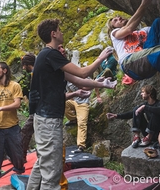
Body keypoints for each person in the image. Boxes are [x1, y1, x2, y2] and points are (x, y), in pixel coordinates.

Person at [26, 18, 117, 190]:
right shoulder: (50, 55)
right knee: (52, 172)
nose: (61, 33)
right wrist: (101, 58)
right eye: (59, 30)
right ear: (53, 34)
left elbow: (79, 81)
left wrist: (102, 84)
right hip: (48, 120)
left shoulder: (45, 58)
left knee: (42, 164)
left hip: (44, 118)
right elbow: (83, 73)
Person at [0, 62, 25, 190]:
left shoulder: (15, 86)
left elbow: (17, 104)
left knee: (17, 152)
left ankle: (19, 175)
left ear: (4, 71)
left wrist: (0, 108)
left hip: (12, 126)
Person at [19, 53, 36, 162]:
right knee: (26, 132)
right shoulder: (33, 73)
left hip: (37, 110)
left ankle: (21, 157)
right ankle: (21, 156)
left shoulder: (35, 73)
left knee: (25, 132)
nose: (23, 68)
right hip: (35, 109)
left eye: (23, 65)